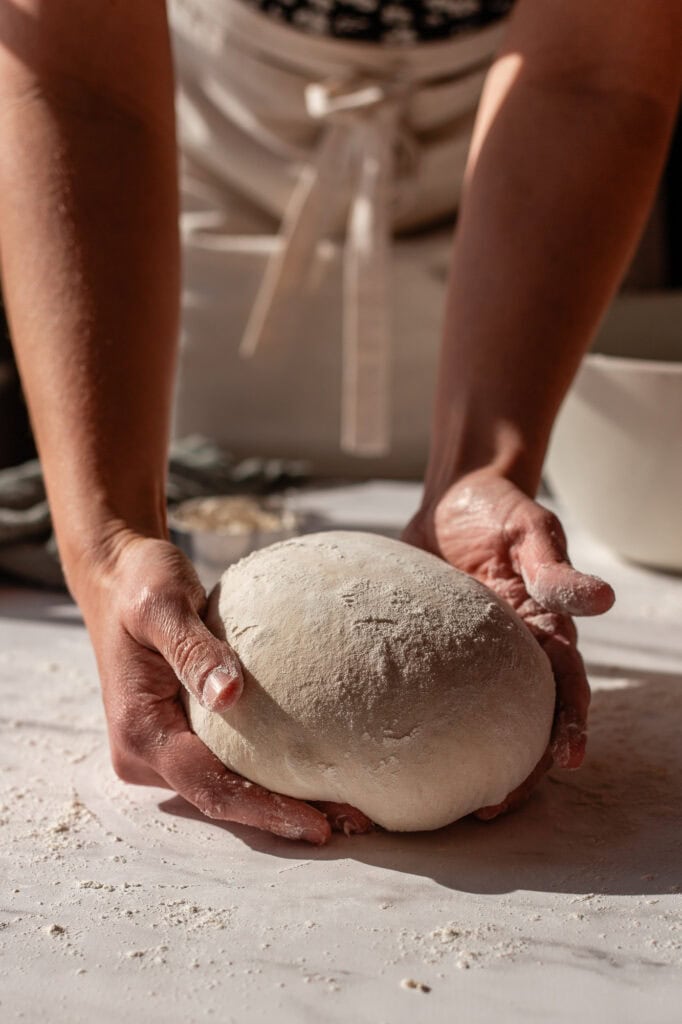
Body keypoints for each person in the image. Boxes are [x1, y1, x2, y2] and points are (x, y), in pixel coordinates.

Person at [0, 0, 678, 844]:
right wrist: (105, 539)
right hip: (205, 163)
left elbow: (591, 73)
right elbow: (80, 75)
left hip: (535, 191)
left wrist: (483, 463)